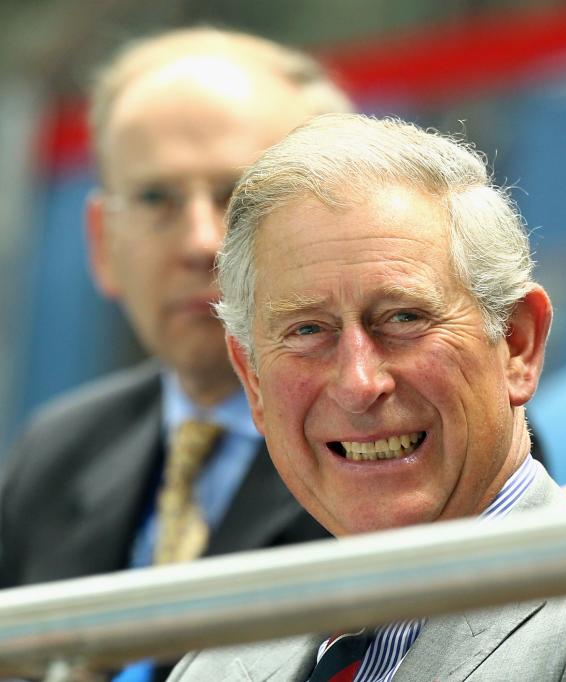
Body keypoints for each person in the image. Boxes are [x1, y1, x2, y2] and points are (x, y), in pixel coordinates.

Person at [168, 113, 566, 682]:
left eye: (403, 318)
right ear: (253, 381)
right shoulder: (213, 667)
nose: (359, 383)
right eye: (308, 330)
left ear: (517, 344)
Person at [0, 26, 351, 678]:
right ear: (104, 244)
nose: (199, 241)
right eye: (158, 198)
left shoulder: (415, 443)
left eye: (237, 197)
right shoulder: (56, 452)